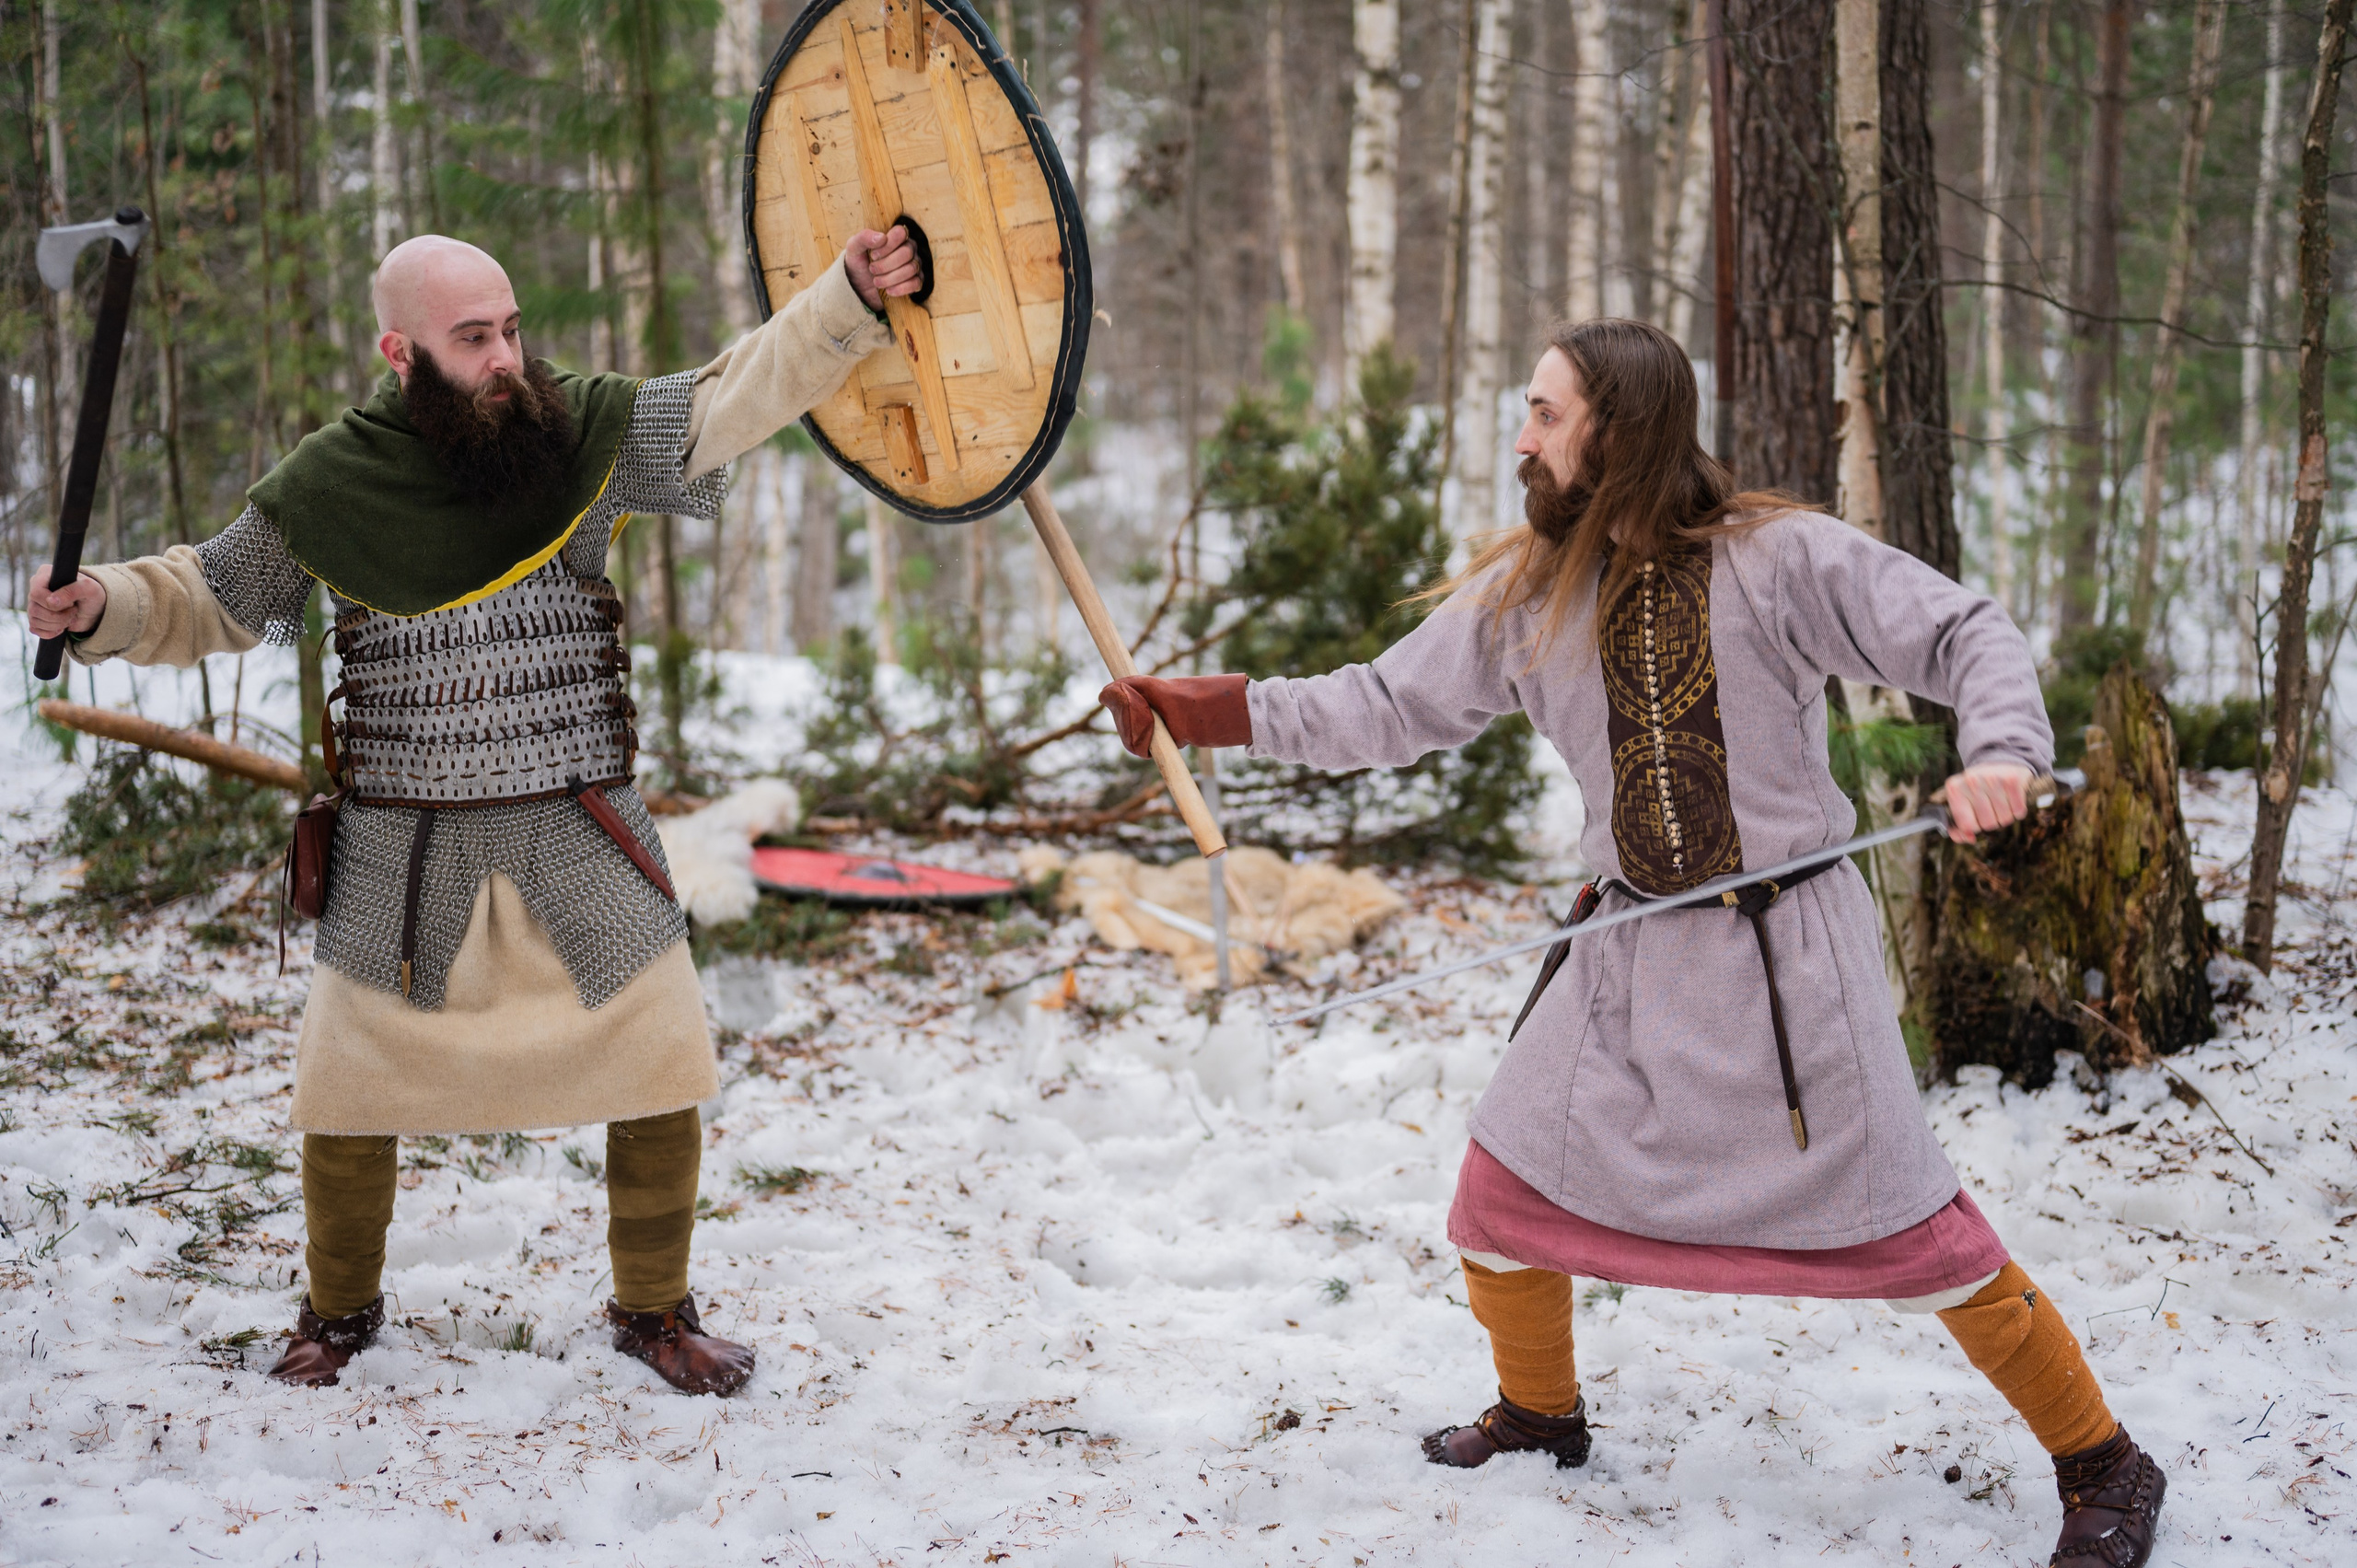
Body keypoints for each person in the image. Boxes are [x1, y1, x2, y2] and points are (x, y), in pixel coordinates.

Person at [1098, 319, 2165, 1568]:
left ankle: (2106, 1460)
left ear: (1623, 429)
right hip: (1627, 958)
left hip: (1788, 977)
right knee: (1500, 1199)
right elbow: (1384, 703)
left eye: (1547, 414)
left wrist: (2000, 751)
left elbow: (1963, 630)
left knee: (1920, 1238)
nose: (1524, 437)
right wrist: (1204, 710)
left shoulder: (1778, 558)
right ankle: (1542, 1413)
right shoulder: (1529, 590)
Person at [26, 227, 920, 1394]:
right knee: (345, 1089)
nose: (508, 357)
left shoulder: (581, 434)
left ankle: (655, 1309)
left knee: (661, 1057)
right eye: (473, 338)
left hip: (580, 828)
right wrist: (103, 602)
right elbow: (213, 593)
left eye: (510, 328)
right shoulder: (331, 483)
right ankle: (338, 1313)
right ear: (400, 351)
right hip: (407, 851)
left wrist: (843, 298)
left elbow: (733, 394)